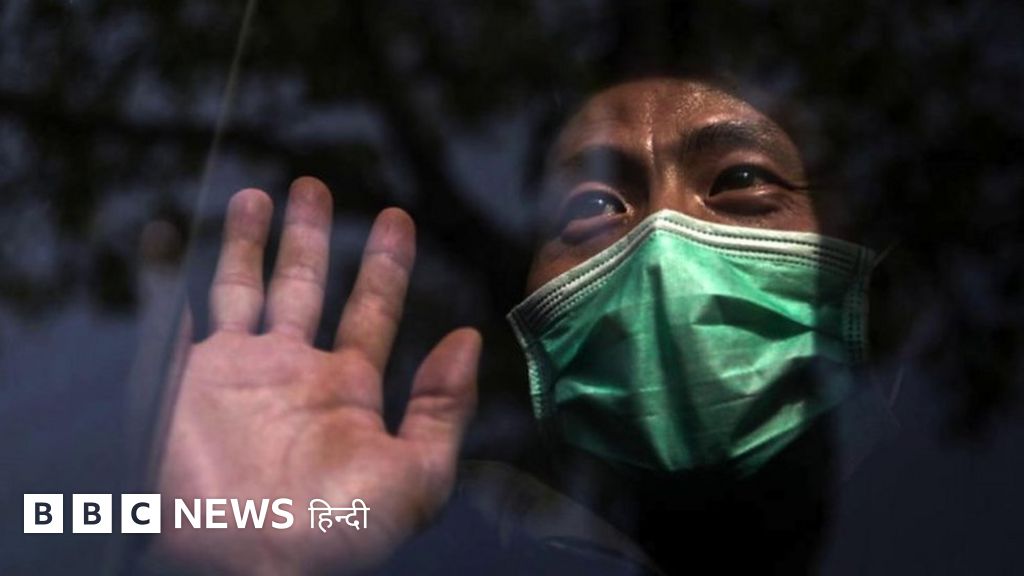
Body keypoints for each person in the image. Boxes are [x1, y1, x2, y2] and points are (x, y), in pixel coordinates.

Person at [150, 77, 894, 575]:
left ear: (842, 243)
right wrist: (239, 537)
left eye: (739, 181)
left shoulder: (946, 506)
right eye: (593, 206)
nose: (664, 242)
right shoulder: (448, 536)